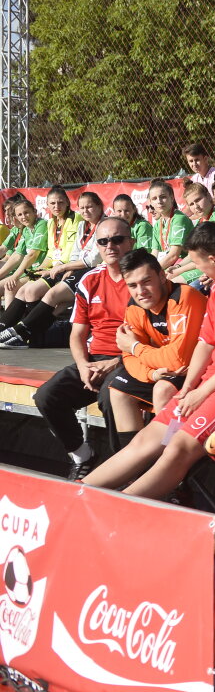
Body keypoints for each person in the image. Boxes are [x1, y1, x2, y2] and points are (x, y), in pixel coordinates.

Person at [82, 223, 215, 499]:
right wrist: (189, 387)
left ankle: (120, 508)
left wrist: (203, 390)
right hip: (210, 380)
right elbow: (206, 342)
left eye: (197, 263)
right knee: (148, 439)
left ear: (214, 260)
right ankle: (77, 493)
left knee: (178, 448)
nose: (197, 270)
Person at [31, 216, 133, 480]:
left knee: (111, 398)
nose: (110, 246)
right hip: (93, 358)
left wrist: (116, 362)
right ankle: (82, 456)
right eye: (103, 241)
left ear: (131, 242)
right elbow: (77, 334)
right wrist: (83, 366)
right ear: (97, 246)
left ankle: (126, 469)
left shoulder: (143, 278)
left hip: (131, 358)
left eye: (117, 239)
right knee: (47, 396)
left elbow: (153, 337)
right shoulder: (90, 280)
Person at [104, 248, 207, 450]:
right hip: (164, 370)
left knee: (163, 390)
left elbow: (178, 359)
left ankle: (168, 454)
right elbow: (128, 357)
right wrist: (151, 374)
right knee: (117, 390)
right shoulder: (135, 306)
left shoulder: (184, 297)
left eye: (146, 282)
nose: (140, 291)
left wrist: (135, 347)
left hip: (201, 368)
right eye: (132, 285)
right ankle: (133, 461)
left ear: (161, 276)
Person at [0, 192, 103, 350]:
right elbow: (74, 252)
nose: (85, 211)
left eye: (89, 207)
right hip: (67, 267)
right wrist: (59, 267)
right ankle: (7, 329)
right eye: (82, 207)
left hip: (89, 270)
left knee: (39, 292)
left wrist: (64, 266)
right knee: (23, 291)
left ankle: (24, 333)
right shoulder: (79, 225)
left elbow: (92, 259)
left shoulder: (80, 220)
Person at [0, 197, 47, 295]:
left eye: (10, 213)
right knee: (9, 287)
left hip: (35, 270)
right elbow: (14, 255)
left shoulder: (40, 224)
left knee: (9, 287)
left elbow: (30, 255)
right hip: (25, 270)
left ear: (34, 211)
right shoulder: (24, 229)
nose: (7, 215)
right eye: (19, 214)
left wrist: (14, 276)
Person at [147, 179, 194, 271]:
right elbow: (154, 254)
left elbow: (174, 255)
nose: (159, 201)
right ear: (151, 202)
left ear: (172, 197)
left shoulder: (179, 219)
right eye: (154, 198)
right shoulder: (157, 225)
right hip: (169, 264)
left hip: (185, 263)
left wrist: (151, 272)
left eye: (163, 197)